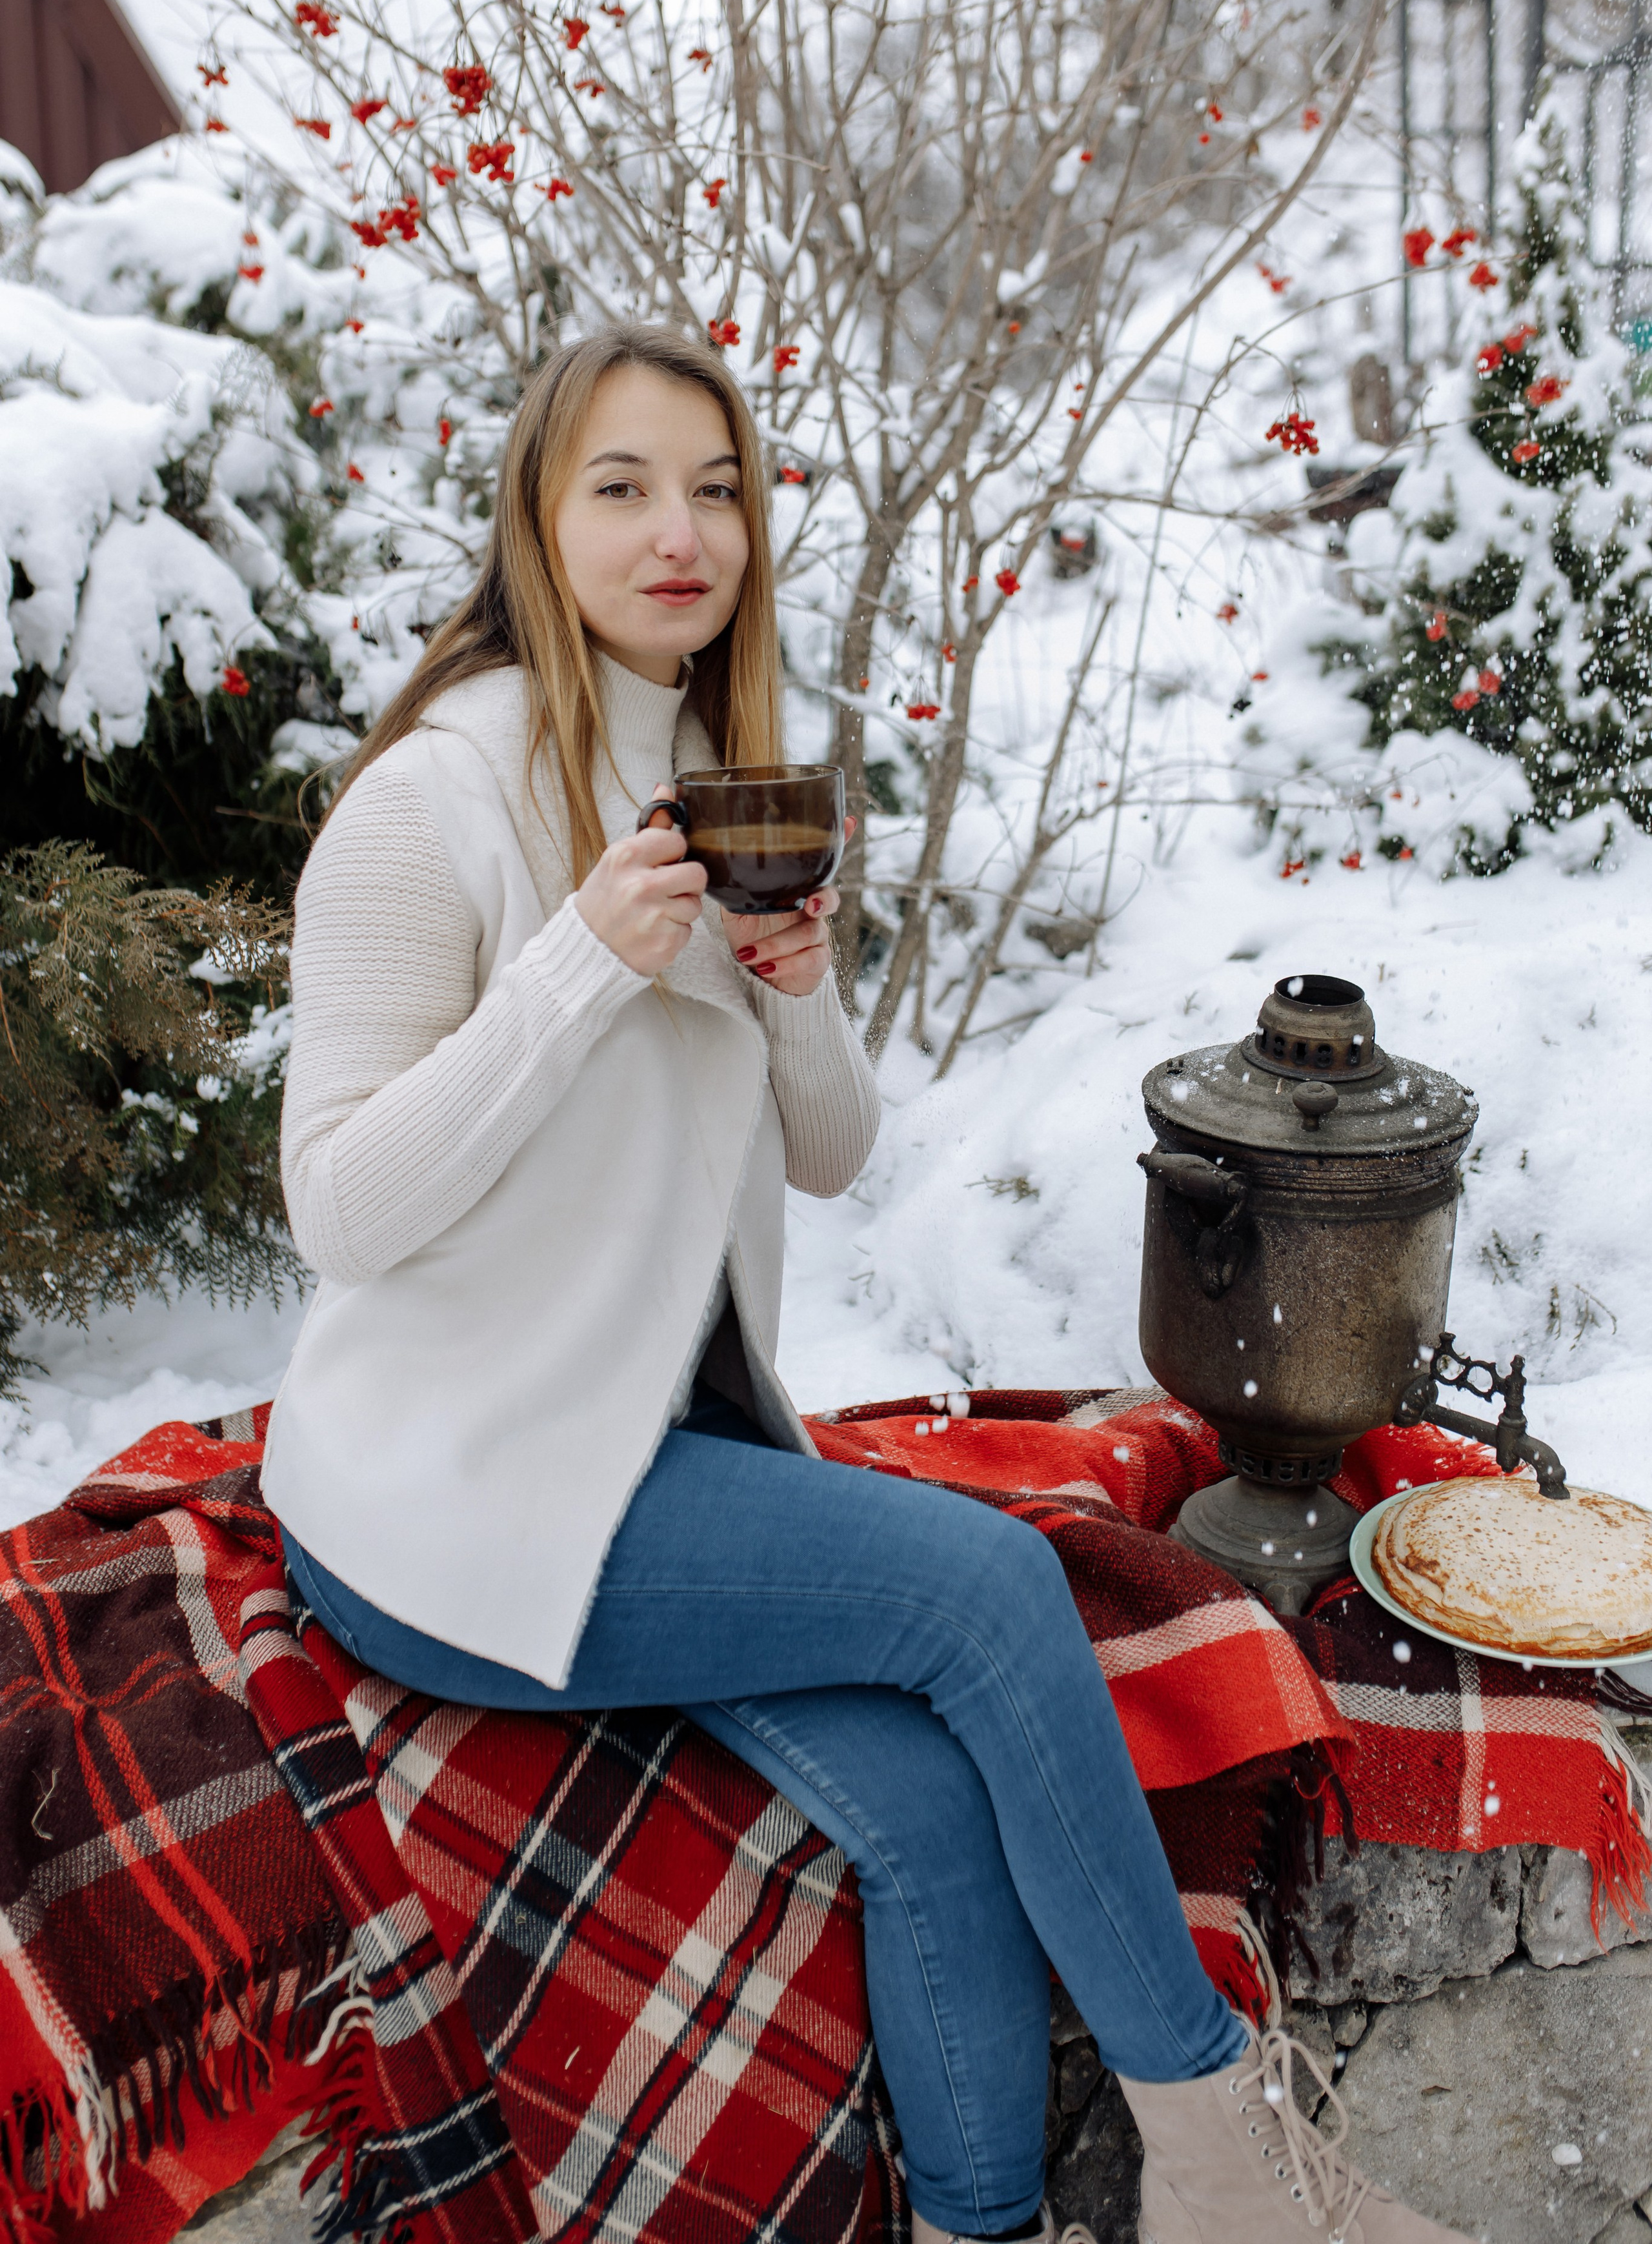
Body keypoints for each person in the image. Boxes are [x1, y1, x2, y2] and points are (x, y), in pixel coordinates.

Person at [263, 322, 1471, 2244]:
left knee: (923, 1811)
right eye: (625, 486)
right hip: (464, 1496)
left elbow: (829, 1152)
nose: (687, 530)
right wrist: (577, 964)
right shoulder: (434, 804)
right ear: (532, 517)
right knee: (991, 1593)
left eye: (721, 486)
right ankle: (1230, 2164)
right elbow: (337, 1206)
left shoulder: (705, 767)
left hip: (654, 1449)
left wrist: (793, 989)